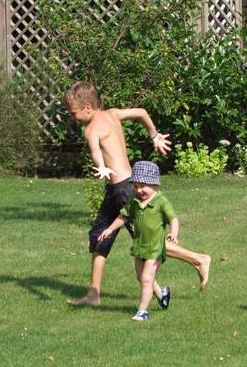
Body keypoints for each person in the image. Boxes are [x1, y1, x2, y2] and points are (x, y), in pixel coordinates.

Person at [63, 81, 211, 307]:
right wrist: (154, 135)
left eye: (73, 113)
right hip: (115, 190)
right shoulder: (113, 114)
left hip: (123, 190)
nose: (72, 117)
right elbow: (141, 112)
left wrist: (101, 167)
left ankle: (198, 259)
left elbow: (95, 150)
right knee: (99, 236)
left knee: (147, 240)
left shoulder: (91, 129)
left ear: (88, 108)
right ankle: (94, 294)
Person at [99, 161, 176, 321]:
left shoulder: (161, 202)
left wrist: (173, 233)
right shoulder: (134, 201)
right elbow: (123, 216)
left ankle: (142, 311)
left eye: (143, 186)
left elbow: (173, 219)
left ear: (155, 184)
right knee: (141, 278)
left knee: (146, 279)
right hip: (139, 246)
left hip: (155, 248)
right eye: (135, 186)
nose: (139, 190)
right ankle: (162, 294)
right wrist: (110, 229)